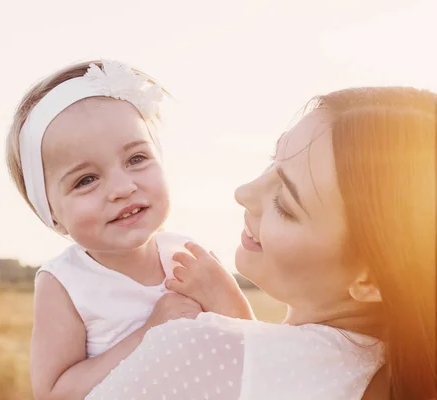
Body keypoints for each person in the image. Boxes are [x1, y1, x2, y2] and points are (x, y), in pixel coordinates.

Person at [87, 87, 436, 399]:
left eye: (285, 204)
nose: (244, 193)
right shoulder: (397, 376)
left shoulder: (194, 349)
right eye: (273, 161)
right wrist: (235, 314)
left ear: (369, 280)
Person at [5, 60, 244, 399]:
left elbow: (254, 355)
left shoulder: (189, 255)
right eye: (86, 180)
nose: (121, 187)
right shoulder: (66, 282)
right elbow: (55, 393)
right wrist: (150, 333)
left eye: (136, 159)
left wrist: (226, 297)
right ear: (51, 212)